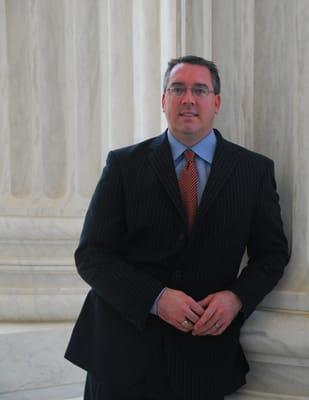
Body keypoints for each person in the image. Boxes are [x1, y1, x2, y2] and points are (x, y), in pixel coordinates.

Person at [65, 55, 289, 400]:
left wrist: (237, 298)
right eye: (177, 89)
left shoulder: (253, 171)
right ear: (163, 100)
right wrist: (154, 299)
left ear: (216, 102)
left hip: (203, 360)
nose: (188, 99)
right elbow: (92, 255)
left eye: (200, 90)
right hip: (121, 354)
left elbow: (272, 255)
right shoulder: (123, 165)